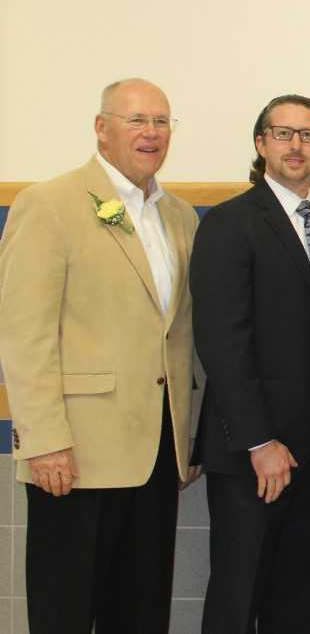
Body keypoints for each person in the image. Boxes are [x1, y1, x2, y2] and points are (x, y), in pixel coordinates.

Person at [0, 78, 199, 634]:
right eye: (136, 120)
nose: (151, 133)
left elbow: (178, 334)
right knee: (65, 609)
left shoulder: (178, 216)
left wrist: (188, 437)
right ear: (101, 127)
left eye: (162, 122)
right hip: (75, 457)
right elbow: (24, 333)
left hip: (157, 453)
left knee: (140, 612)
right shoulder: (49, 204)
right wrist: (44, 441)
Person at [191, 94, 310, 634]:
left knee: (300, 600)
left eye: (308, 135)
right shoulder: (229, 223)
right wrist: (260, 442)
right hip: (252, 457)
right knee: (239, 597)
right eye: (283, 133)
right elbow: (222, 340)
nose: (296, 145)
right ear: (261, 144)